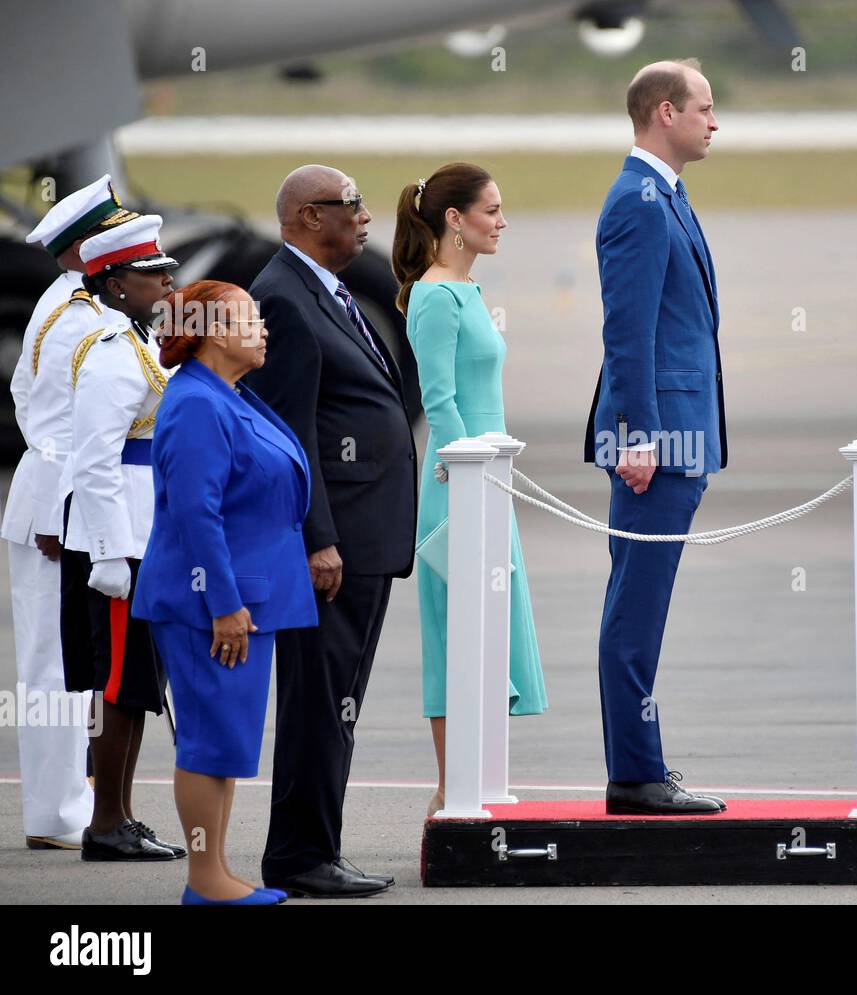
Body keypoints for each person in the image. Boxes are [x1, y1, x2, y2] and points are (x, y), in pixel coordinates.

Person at [243, 164, 416, 898]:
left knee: (337, 702)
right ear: (310, 217)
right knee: (320, 704)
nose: (366, 217)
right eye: (352, 206)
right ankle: (300, 856)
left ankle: (318, 848)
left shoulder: (322, 290)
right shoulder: (283, 298)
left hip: (362, 538)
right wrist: (317, 537)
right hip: (334, 545)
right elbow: (291, 433)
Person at [134, 280, 316, 905]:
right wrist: (223, 604)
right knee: (210, 743)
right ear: (213, 332)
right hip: (208, 606)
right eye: (249, 320)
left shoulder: (226, 395)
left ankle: (218, 874)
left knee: (227, 741)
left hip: (243, 601)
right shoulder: (195, 404)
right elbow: (195, 514)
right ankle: (205, 880)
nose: (263, 329)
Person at [582, 59, 730, 815]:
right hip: (657, 442)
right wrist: (638, 435)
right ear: (664, 112)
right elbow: (627, 332)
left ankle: (640, 767)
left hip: (679, 436)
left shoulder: (664, 194)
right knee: (635, 611)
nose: (716, 120)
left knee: (642, 605)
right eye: (706, 107)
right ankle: (636, 775)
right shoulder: (640, 202)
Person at [391, 163, 548, 817]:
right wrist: (471, 484)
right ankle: (451, 789)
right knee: (458, 636)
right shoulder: (434, 296)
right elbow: (440, 402)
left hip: (489, 480)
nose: (502, 221)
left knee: (491, 630)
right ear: (454, 220)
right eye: (491, 210)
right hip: (462, 484)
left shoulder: (467, 291)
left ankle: (479, 782)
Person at [3, 174, 137, 850]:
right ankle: (57, 814)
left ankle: (64, 804)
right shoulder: (79, 315)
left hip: (50, 498)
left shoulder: (67, 303)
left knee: (60, 660)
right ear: (88, 246)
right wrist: (59, 511)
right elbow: (58, 423)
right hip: (54, 509)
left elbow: (24, 397)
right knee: (55, 665)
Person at [59, 214, 185, 860]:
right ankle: (106, 819)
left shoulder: (132, 341)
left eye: (165, 269)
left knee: (135, 686)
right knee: (116, 687)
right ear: (112, 284)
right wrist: (108, 554)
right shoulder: (113, 355)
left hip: (138, 537)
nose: (166, 281)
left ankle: (123, 814)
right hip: (118, 546)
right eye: (149, 273)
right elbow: (96, 461)